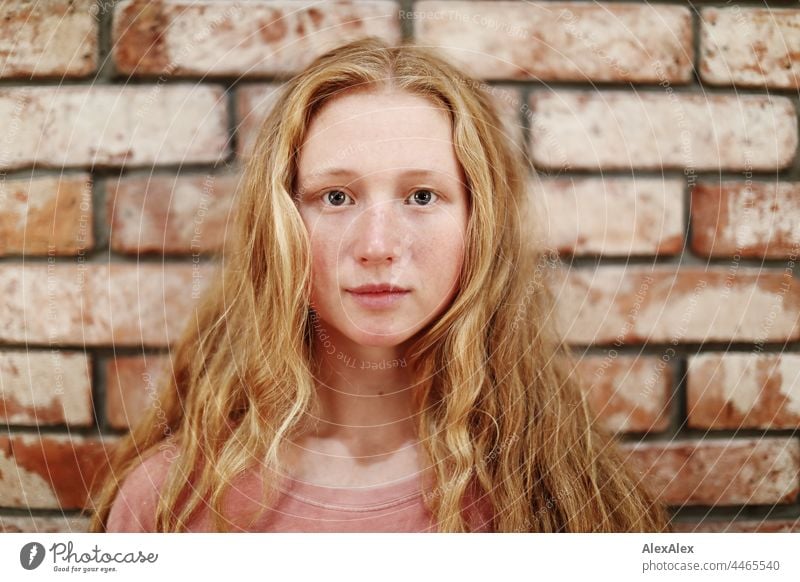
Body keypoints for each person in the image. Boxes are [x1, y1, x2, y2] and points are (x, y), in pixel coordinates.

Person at [89, 36, 671, 533]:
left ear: (480, 223)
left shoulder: (561, 497)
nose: (376, 246)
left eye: (422, 196)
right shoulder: (169, 503)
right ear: (279, 226)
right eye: (335, 197)